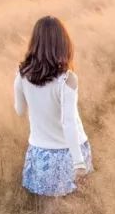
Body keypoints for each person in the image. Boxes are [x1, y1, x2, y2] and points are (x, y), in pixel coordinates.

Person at [13, 15, 93, 197]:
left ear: (35, 43)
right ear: (63, 44)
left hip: (40, 153)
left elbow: (19, 110)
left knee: (45, 207)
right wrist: (79, 163)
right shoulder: (67, 79)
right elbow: (68, 122)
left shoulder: (22, 75)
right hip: (69, 153)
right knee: (73, 205)